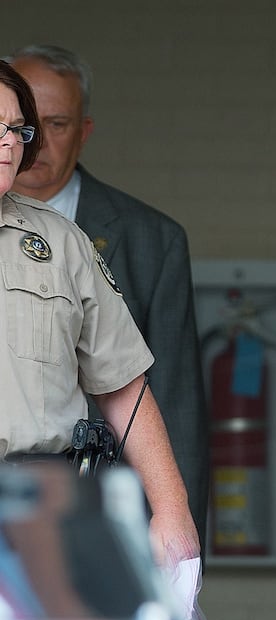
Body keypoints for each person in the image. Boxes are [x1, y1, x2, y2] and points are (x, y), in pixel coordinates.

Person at [6, 44, 209, 545]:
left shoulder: (66, 239)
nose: (12, 144)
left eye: (17, 129)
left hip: (51, 503)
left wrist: (172, 514)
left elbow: (137, 389)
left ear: (82, 131)